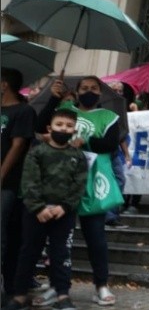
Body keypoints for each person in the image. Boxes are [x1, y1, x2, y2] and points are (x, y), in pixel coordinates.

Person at [36, 76, 121, 306]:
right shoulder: (65, 110)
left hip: (94, 184)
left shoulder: (109, 117)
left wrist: (85, 142)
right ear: (77, 91)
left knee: (96, 239)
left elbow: (110, 144)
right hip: (62, 183)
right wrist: (53, 99)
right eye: (85, 88)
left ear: (100, 93)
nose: (89, 92)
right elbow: (40, 125)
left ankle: (101, 285)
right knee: (59, 240)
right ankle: (56, 287)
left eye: (94, 88)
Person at [5, 109, 87, 310]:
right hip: (35, 213)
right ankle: (20, 295)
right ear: (50, 128)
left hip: (63, 213)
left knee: (61, 255)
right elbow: (30, 181)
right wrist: (38, 207)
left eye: (68, 126)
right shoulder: (37, 152)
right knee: (28, 253)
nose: (63, 129)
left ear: (74, 130)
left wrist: (65, 206)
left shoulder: (77, 156)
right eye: (59, 125)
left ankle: (62, 295)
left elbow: (79, 184)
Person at [1, 68, 37, 304]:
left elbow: (18, 144)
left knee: (3, 236)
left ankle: (11, 290)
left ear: (4, 85)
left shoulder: (24, 111)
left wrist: (1, 174)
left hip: (9, 184)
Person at [121, 91, 149, 215]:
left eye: (140, 99)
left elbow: (143, 125)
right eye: (136, 99)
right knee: (128, 174)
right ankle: (124, 202)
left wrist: (136, 111)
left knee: (139, 176)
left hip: (144, 152)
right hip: (131, 150)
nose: (136, 101)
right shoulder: (128, 114)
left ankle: (134, 203)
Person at [105, 81, 135, 229]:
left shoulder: (120, 108)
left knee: (119, 180)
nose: (117, 93)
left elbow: (121, 134)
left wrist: (126, 154)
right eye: (114, 90)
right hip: (102, 152)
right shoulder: (102, 107)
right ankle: (109, 216)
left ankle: (112, 214)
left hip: (114, 151)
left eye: (120, 91)